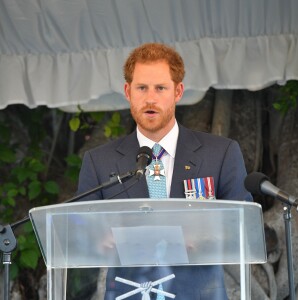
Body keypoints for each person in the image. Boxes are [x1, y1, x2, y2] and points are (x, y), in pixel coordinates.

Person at [77, 43, 252, 299]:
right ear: (128, 91)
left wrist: (203, 236)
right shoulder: (98, 161)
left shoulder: (221, 153)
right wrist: (97, 237)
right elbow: (80, 231)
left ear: (178, 91)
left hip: (200, 293)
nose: (150, 98)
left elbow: (242, 226)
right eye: (141, 88)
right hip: (130, 293)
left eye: (160, 88)